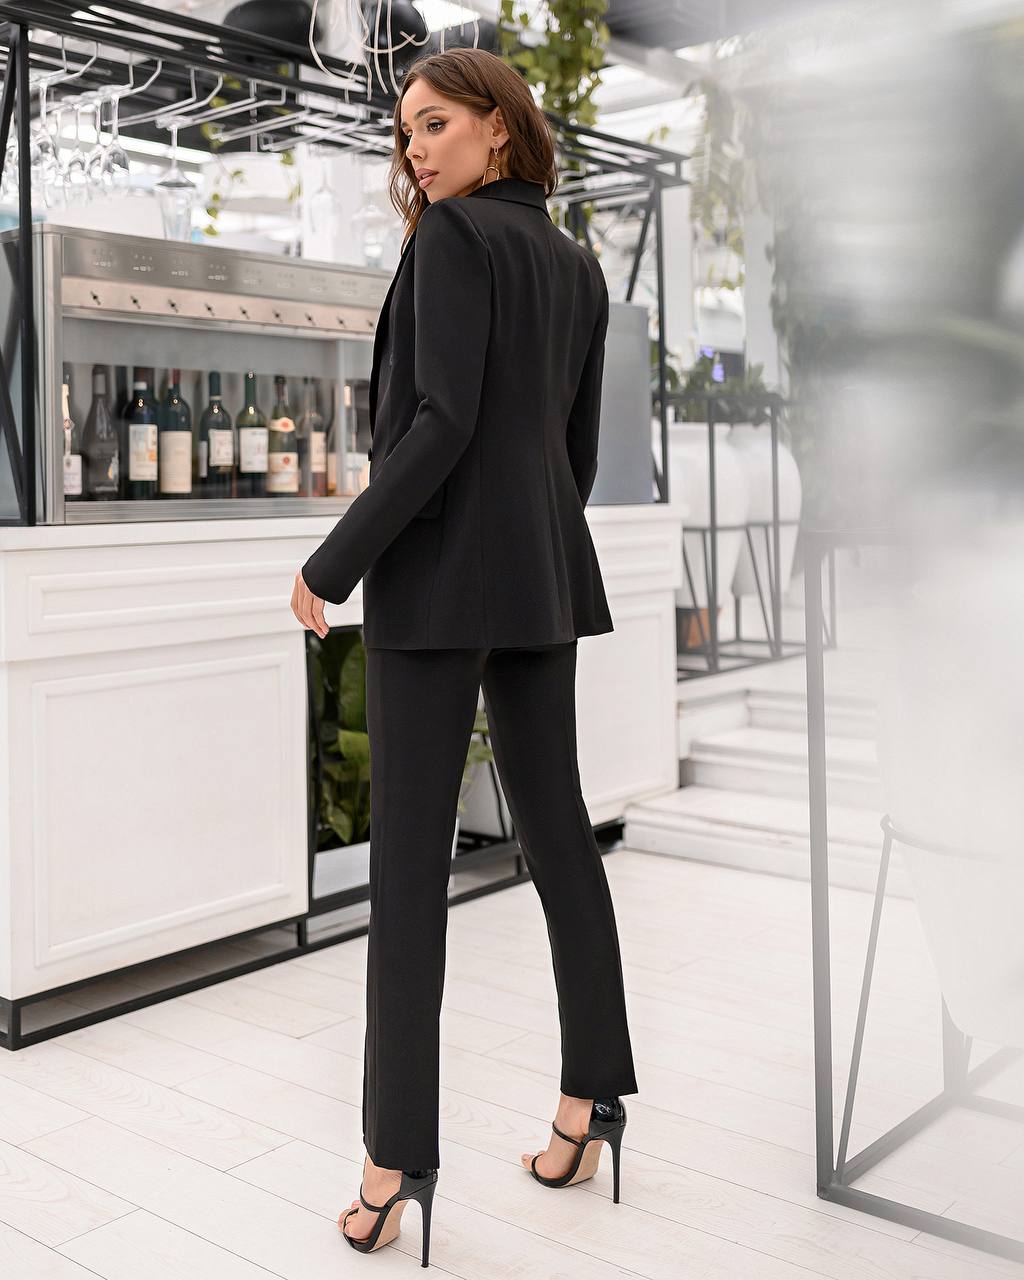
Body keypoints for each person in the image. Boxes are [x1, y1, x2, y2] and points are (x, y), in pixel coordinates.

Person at [290, 46, 639, 1268]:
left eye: (434, 124)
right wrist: (529, 538)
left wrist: (331, 564)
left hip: (437, 589)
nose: (414, 150)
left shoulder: (448, 244)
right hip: (540, 575)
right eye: (404, 134)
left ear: (500, 128)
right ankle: (591, 1100)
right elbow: (572, 451)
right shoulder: (579, 267)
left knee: (407, 877)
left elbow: (436, 424)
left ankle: (392, 1164)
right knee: (557, 835)